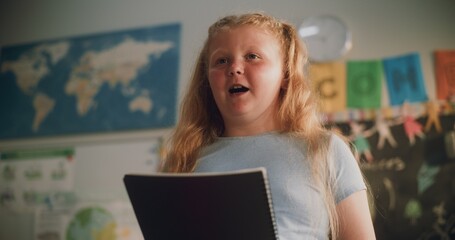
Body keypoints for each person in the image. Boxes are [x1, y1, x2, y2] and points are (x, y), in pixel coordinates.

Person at [160, 12, 376, 240]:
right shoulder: (184, 160)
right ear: (207, 79)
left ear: (285, 74)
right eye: (221, 60)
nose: (234, 68)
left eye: (252, 56)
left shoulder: (325, 149)